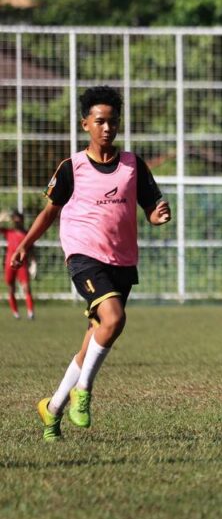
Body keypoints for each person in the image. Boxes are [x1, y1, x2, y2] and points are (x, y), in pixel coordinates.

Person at [11, 86, 171, 442]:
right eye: (100, 121)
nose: (107, 128)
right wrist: (25, 244)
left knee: (94, 338)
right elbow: (49, 211)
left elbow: (152, 205)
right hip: (83, 256)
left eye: (112, 122)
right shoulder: (73, 167)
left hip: (121, 259)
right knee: (114, 319)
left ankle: (52, 409)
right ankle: (83, 392)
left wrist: (158, 216)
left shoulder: (132, 165)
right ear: (85, 124)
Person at [3, 211, 35, 320]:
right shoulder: (9, 232)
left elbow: (31, 250)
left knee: (26, 288)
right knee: (11, 289)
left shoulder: (26, 234)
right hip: (9, 264)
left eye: (18, 219)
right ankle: (15, 313)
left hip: (22, 264)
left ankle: (30, 313)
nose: (16, 222)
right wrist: (2, 218)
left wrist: (33, 263)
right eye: (14, 219)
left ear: (22, 220)